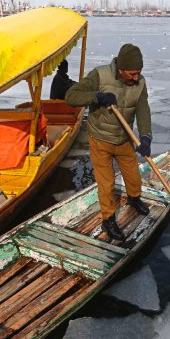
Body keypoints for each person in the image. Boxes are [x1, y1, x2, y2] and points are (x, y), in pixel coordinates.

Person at [65, 44, 152, 241]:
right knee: (106, 182)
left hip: (124, 139)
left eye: (138, 73)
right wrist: (97, 96)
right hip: (100, 139)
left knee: (132, 175)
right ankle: (108, 219)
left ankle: (134, 198)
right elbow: (71, 96)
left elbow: (143, 109)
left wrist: (146, 136)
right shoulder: (100, 75)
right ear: (120, 69)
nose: (136, 77)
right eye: (132, 73)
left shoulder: (140, 83)